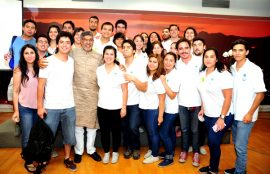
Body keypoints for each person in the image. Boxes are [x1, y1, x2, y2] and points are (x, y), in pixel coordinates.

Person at [224, 39, 266, 174]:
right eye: (235, 50)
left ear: (246, 52)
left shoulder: (254, 69)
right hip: (234, 114)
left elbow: (260, 94)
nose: (237, 53)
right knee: (237, 144)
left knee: (240, 146)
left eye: (241, 50)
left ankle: (240, 172)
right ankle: (239, 168)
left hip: (246, 115)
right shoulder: (232, 68)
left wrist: (250, 113)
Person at [37, 31, 77, 172]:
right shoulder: (47, 61)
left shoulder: (72, 61)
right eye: (62, 42)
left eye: (68, 42)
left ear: (71, 45)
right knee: (47, 136)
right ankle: (43, 160)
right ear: (57, 44)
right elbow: (40, 86)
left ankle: (67, 158)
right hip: (51, 106)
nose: (65, 45)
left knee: (69, 136)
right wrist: (40, 107)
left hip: (69, 106)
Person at [197, 48, 234, 174]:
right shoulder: (201, 74)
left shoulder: (223, 74)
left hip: (223, 115)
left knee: (213, 141)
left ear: (216, 59)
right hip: (208, 115)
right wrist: (202, 108)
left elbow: (228, 97)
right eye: (206, 56)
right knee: (213, 143)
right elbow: (203, 93)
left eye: (211, 56)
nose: (208, 59)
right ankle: (212, 166)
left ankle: (213, 170)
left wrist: (222, 117)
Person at [69, 31, 103, 163]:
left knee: (91, 126)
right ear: (81, 40)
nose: (88, 42)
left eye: (90, 40)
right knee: (78, 126)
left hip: (93, 94)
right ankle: (78, 151)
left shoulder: (99, 56)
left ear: (93, 42)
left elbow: (109, 66)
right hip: (76, 94)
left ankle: (91, 150)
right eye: (85, 40)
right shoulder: (73, 53)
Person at [96, 46, 128, 164]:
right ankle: (106, 152)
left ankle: (115, 152)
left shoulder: (120, 70)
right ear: (103, 55)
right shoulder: (99, 69)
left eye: (111, 54)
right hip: (102, 106)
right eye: (107, 54)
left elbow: (125, 90)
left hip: (116, 107)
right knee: (104, 131)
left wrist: (123, 107)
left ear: (115, 57)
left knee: (116, 131)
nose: (109, 56)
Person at [12, 44, 39, 173]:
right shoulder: (18, 70)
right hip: (25, 108)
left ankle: (34, 156)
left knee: (35, 136)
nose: (29, 55)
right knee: (27, 136)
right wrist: (16, 110)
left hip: (38, 108)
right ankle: (28, 160)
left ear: (36, 54)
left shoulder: (40, 68)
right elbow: (16, 91)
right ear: (22, 55)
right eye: (26, 53)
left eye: (32, 52)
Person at [176, 38, 202, 167]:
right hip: (181, 102)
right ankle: (184, 150)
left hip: (197, 103)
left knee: (195, 130)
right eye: (180, 49)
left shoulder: (200, 62)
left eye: (186, 48)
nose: (184, 51)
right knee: (185, 129)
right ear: (177, 51)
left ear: (190, 48)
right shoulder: (176, 64)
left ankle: (196, 152)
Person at [121, 40, 147, 160]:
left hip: (135, 102)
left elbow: (144, 87)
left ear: (133, 50)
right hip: (121, 103)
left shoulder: (140, 65)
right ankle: (128, 148)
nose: (125, 49)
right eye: (124, 47)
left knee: (133, 127)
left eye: (128, 47)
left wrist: (133, 78)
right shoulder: (119, 65)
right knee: (125, 127)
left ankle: (136, 148)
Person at [140, 54, 165, 164]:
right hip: (144, 108)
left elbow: (162, 99)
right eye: (150, 61)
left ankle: (155, 155)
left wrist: (160, 115)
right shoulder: (147, 75)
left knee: (153, 132)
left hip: (153, 110)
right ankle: (151, 149)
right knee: (149, 132)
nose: (151, 63)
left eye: (155, 62)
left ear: (159, 64)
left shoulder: (158, 78)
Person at [158, 52, 180, 167]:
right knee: (171, 132)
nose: (168, 62)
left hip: (172, 110)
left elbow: (172, 95)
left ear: (175, 62)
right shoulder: (165, 73)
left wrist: (163, 81)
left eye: (171, 60)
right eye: (166, 59)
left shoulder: (176, 75)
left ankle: (169, 158)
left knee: (163, 133)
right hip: (165, 108)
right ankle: (170, 151)